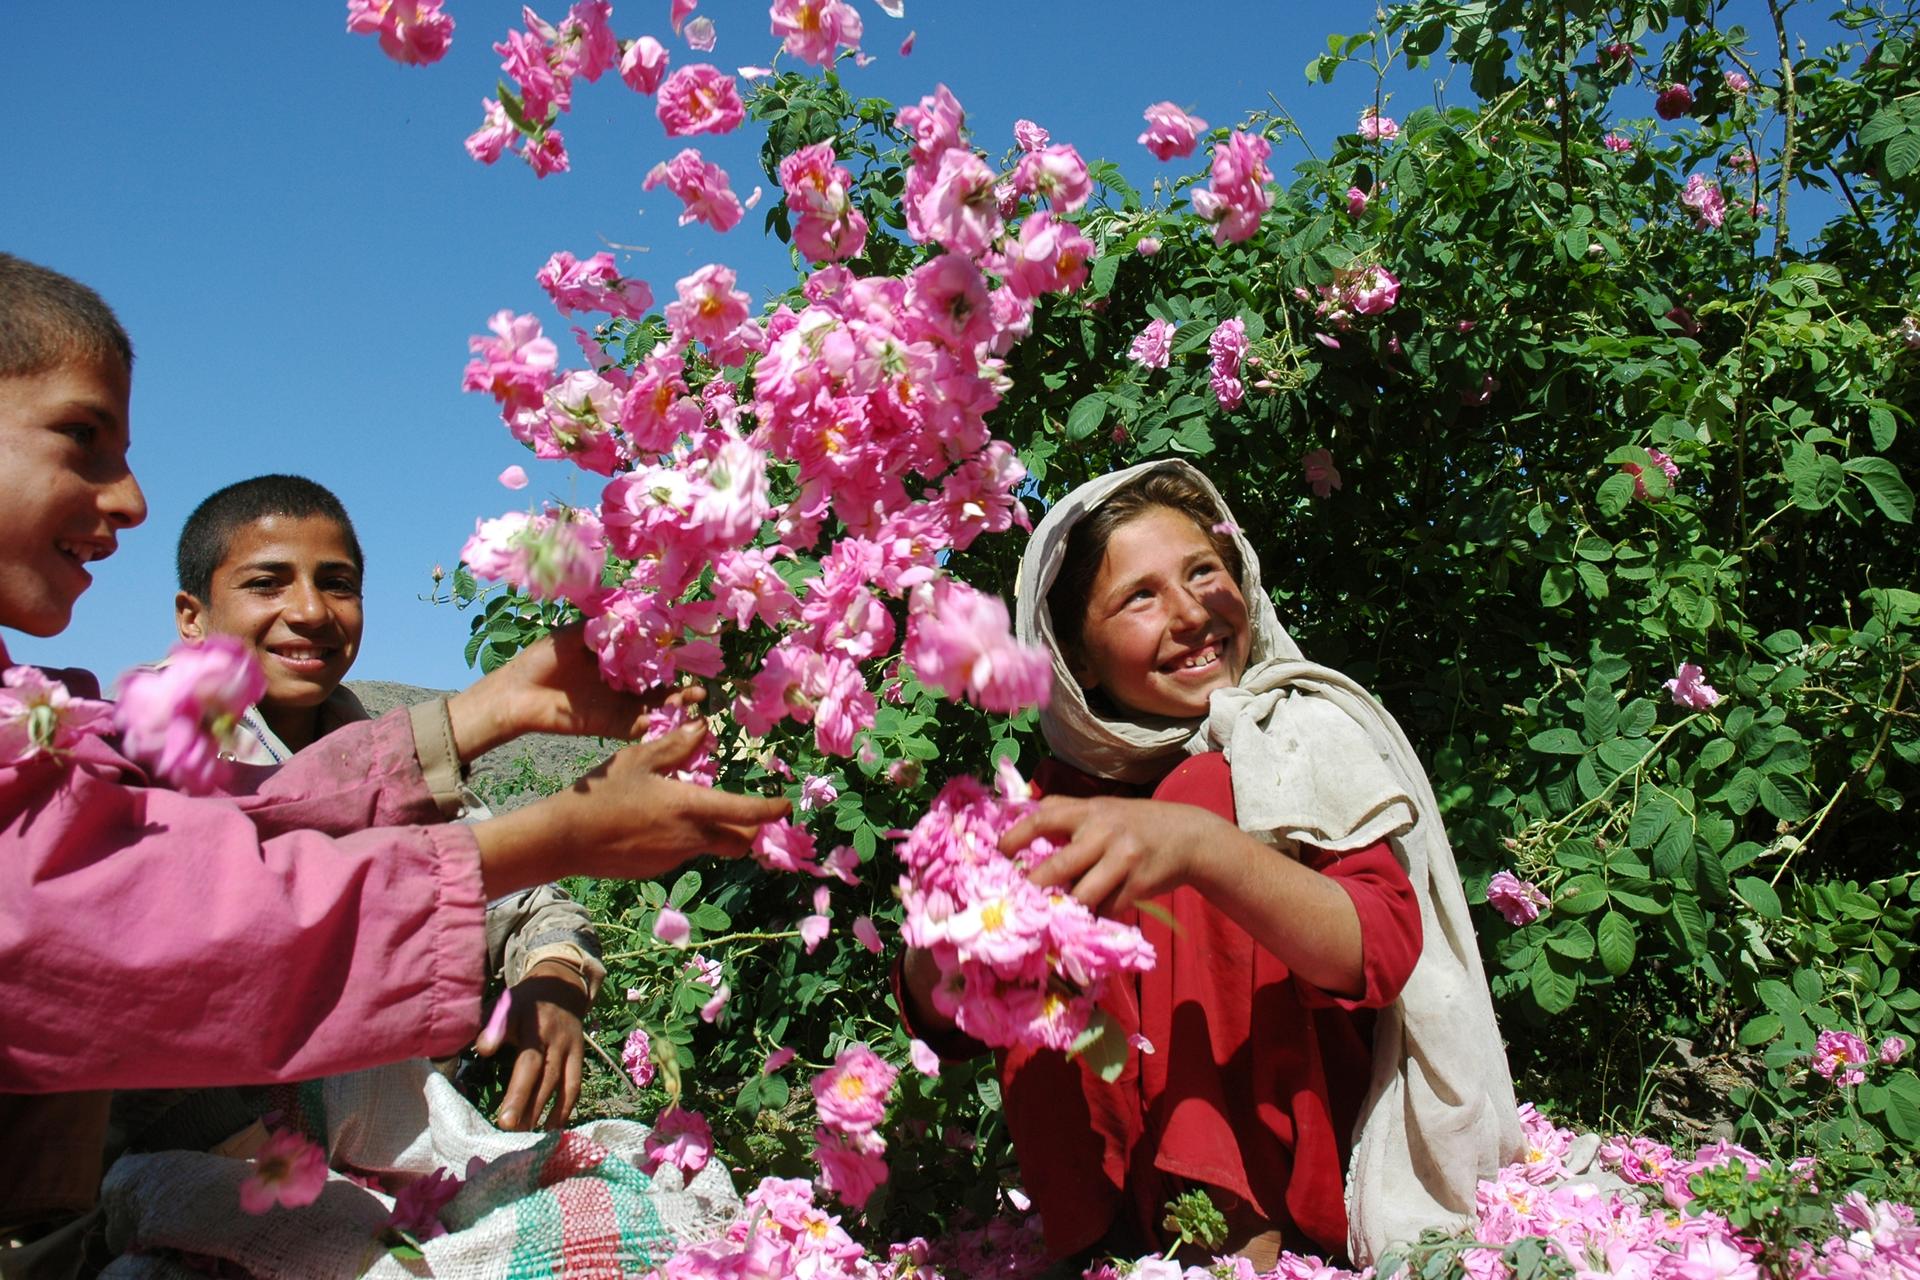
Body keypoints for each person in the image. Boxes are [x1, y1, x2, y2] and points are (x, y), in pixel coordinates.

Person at [0, 253, 787, 1242]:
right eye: (82, 436)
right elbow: (186, 905)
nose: (130, 497)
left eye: (337, 582)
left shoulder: (81, 727)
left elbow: (255, 820)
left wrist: (488, 717)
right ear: (191, 617)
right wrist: (554, 833)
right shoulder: (138, 743)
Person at [898, 460, 1521, 1267]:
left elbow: (1379, 949)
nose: (1193, 613)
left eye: (1204, 572)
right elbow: (948, 1021)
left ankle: (1238, 1244)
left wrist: (1199, 846)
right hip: (1127, 1206)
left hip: (1321, 1148)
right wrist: (941, 955)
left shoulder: (1296, 730)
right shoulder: (1058, 798)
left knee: (1198, 790)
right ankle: (1105, 1245)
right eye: (1141, 597)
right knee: (1035, 865)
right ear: (1077, 658)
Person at [170, 473, 602, 1133]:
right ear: (192, 617)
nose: (311, 610)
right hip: (202, 1161)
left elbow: (530, 906)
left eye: (338, 584)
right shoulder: (145, 764)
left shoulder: (395, 760)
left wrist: (554, 978)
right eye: (266, 583)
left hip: (391, 1152)